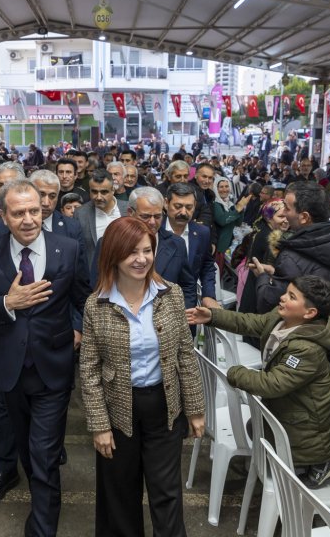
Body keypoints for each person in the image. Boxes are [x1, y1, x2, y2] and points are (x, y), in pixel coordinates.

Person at [0, 179, 90, 537]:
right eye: (19, 213)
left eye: (34, 210)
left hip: (54, 366)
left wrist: (77, 328)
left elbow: (83, 298)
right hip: (10, 371)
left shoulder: (67, 248)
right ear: (4, 216)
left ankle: (42, 529)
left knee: (44, 455)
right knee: (25, 450)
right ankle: (40, 500)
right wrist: (6, 304)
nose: (29, 219)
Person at [80, 217, 204, 537]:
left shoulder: (171, 294)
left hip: (163, 406)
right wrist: (99, 425)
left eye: (147, 251)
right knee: (120, 495)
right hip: (118, 410)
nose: (141, 259)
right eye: (132, 252)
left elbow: (184, 356)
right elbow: (90, 370)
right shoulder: (97, 305)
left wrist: (195, 409)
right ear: (113, 255)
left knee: (167, 493)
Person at [187, 275, 330, 487]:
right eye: (286, 292)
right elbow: (251, 322)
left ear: (310, 313)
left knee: (294, 473)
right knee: (258, 431)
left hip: (313, 426)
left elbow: (273, 384)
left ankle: (323, 462)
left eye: (291, 296)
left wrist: (234, 373)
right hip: (295, 406)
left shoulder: (307, 349)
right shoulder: (283, 318)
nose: (282, 298)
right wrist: (213, 316)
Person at [249, 182, 330, 327]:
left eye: (287, 208)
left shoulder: (292, 256)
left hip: (304, 337)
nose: (283, 213)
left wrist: (263, 278)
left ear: (304, 217)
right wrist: (276, 273)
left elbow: (269, 303)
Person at [121, 187, 197, 308]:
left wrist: (182, 316)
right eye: (145, 216)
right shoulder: (111, 243)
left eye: (157, 216)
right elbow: (100, 286)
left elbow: (188, 286)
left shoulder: (177, 244)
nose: (152, 222)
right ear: (131, 212)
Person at [74, 169, 122, 249]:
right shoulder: (80, 213)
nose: (98, 197)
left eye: (104, 192)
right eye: (94, 192)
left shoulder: (127, 209)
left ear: (113, 190)